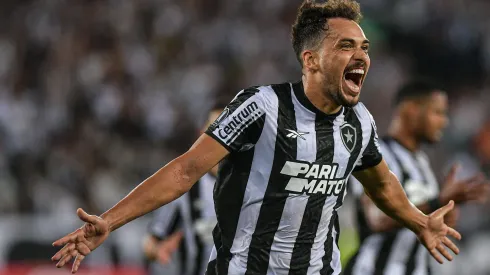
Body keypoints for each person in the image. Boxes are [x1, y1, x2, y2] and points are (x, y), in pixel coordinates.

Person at [51, 1, 462, 274]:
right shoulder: (261, 107)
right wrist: (109, 220)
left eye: (365, 47)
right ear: (311, 59)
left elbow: (382, 185)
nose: (362, 56)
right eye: (346, 46)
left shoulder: (360, 121)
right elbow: (184, 171)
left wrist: (420, 222)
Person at [343, 80, 490, 275]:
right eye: (437, 113)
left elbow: (427, 225)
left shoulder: (422, 164)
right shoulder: (377, 156)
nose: (444, 121)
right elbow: (376, 219)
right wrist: (439, 200)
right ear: (411, 110)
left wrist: (447, 212)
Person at [142, 106, 223, 275]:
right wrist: (158, 251)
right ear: (203, 134)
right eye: (215, 127)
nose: (223, 135)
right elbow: (151, 243)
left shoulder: (253, 185)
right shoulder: (185, 188)